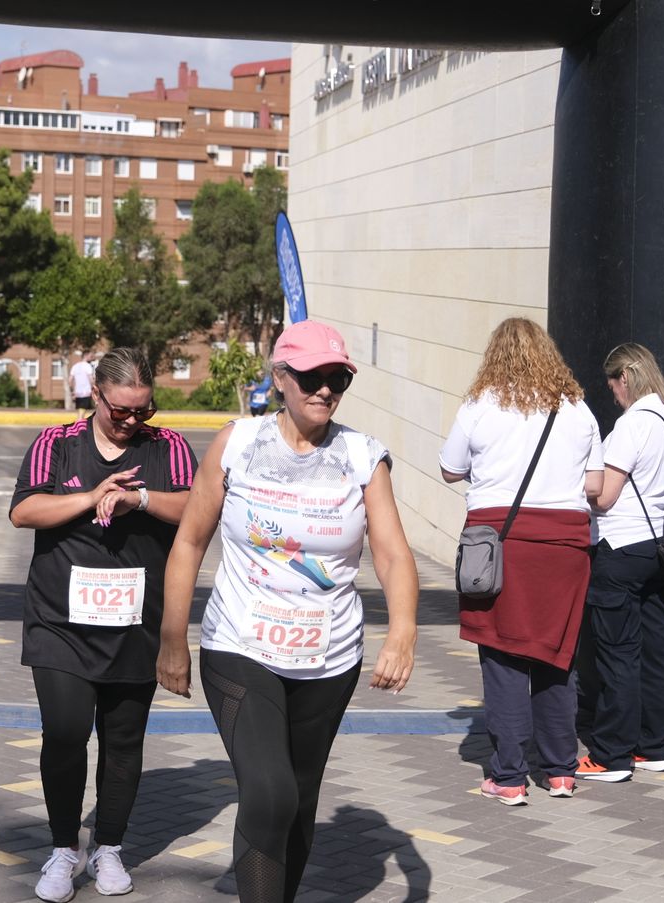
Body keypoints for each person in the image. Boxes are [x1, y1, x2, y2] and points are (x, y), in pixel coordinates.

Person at [157, 319, 418, 903]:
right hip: (240, 644)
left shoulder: (361, 456)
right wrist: (173, 635)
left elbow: (394, 555)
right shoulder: (239, 442)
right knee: (270, 791)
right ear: (280, 377)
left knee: (299, 800)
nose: (324, 389)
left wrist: (402, 633)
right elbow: (190, 541)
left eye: (337, 379)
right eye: (310, 377)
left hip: (329, 658)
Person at [9, 347, 196, 902]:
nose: (134, 421)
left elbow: (197, 507)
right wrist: (90, 496)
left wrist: (137, 498)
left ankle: (109, 847)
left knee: (123, 741)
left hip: (136, 621)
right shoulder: (57, 443)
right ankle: (64, 848)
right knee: (65, 735)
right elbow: (23, 511)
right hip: (59, 621)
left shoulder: (170, 447)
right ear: (97, 397)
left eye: (144, 409)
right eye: (122, 411)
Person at [438, 318, 602, 804]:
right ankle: (559, 770)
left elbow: (450, 470)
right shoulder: (577, 409)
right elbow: (594, 486)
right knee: (558, 654)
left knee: (504, 655)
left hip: (500, 542)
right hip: (566, 546)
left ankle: (508, 777)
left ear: (495, 355)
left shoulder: (480, 405)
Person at [577, 342, 664, 784]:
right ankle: (655, 746)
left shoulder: (632, 425)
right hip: (659, 549)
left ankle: (610, 755)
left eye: (613, 387)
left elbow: (605, 495)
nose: (613, 395)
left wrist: (578, 481)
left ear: (624, 378)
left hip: (620, 548)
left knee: (617, 654)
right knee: (657, 649)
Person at [69, 352, 97, 417]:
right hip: (86, 392)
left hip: (77, 393)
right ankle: (79, 424)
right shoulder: (87, 366)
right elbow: (91, 379)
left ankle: (80, 423)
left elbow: (70, 380)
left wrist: (72, 391)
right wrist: (95, 388)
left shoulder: (75, 366)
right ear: (86, 356)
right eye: (90, 356)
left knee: (80, 410)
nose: (92, 358)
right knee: (83, 411)